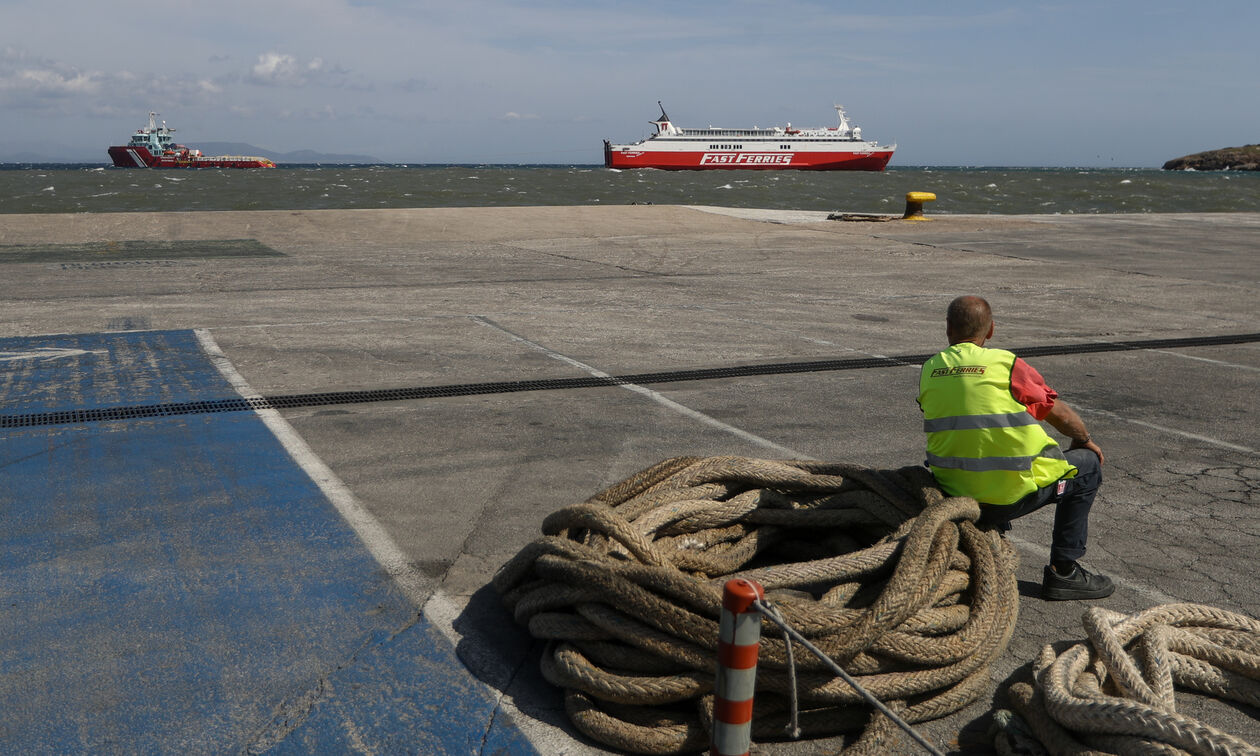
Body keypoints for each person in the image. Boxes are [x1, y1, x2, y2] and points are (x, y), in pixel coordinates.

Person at [917, 295, 1112, 600]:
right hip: (1005, 498)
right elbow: (1056, 412)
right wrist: (1084, 439)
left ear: (947, 328)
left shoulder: (930, 368)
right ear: (991, 330)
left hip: (953, 491)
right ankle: (1065, 572)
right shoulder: (1005, 364)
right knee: (1087, 466)